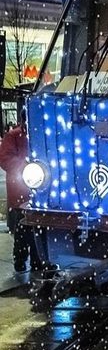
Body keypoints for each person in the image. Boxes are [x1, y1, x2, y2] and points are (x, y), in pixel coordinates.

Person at [0, 110, 41, 272]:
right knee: (23, 231)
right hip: (20, 193)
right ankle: (21, 260)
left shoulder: (39, 133)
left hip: (37, 192)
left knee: (39, 230)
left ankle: (38, 261)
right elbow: (5, 159)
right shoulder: (14, 136)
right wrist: (25, 166)